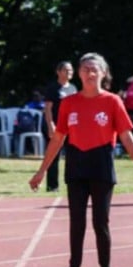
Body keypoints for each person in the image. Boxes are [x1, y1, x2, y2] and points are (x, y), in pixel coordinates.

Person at [30, 52, 133, 267]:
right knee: (77, 222)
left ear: (103, 73)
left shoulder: (112, 102)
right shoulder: (68, 103)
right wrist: (42, 170)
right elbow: (58, 139)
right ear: (79, 73)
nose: (89, 72)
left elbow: (127, 136)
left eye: (94, 69)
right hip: (76, 163)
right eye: (85, 68)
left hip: (102, 163)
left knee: (101, 222)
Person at [43, 61, 77, 192]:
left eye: (71, 70)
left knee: (72, 157)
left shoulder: (73, 88)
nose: (69, 73)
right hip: (57, 126)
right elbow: (48, 108)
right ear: (58, 72)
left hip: (71, 127)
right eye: (66, 70)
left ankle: (72, 183)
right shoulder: (52, 88)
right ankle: (52, 186)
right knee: (54, 156)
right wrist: (51, 125)